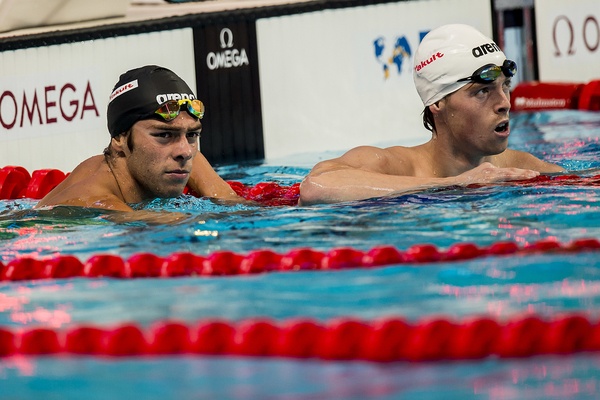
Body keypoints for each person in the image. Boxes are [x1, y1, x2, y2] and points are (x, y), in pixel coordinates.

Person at [299, 24, 564, 205]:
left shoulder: (518, 168)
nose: (504, 103)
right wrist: (455, 183)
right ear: (437, 102)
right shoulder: (392, 164)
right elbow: (317, 187)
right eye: (482, 91)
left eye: (504, 86)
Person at [36, 65, 241, 219]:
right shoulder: (95, 201)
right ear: (119, 138)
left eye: (191, 135)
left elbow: (234, 204)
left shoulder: (168, 156)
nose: (185, 152)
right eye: (164, 135)